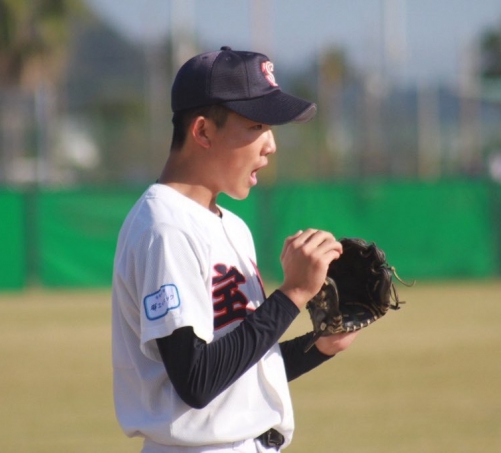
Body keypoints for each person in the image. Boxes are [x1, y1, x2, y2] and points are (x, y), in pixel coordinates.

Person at [111, 46, 360, 453]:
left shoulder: (231, 225)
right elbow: (196, 380)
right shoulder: (165, 228)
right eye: (256, 125)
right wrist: (292, 295)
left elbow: (237, 375)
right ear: (203, 132)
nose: (271, 144)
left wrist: (317, 347)